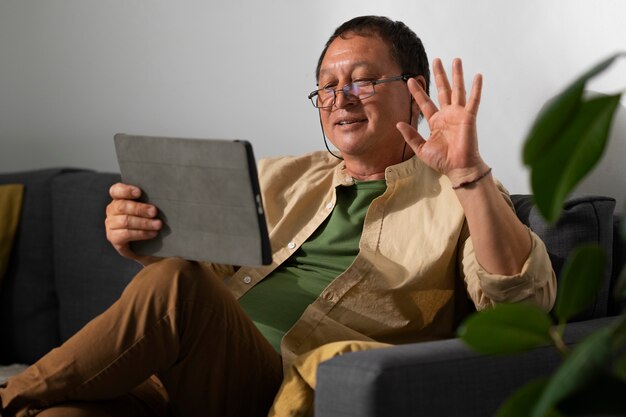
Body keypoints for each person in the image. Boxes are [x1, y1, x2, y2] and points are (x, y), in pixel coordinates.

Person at [0, 15, 556, 417]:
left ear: (416, 94)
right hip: (178, 378)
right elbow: (192, 283)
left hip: (275, 388)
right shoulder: (278, 177)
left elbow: (523, 304)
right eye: (327, 88)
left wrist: (468, 175)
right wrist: (142, 241)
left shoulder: (462, 195)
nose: (340, 99)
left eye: (362, 80)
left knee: (176, 282)